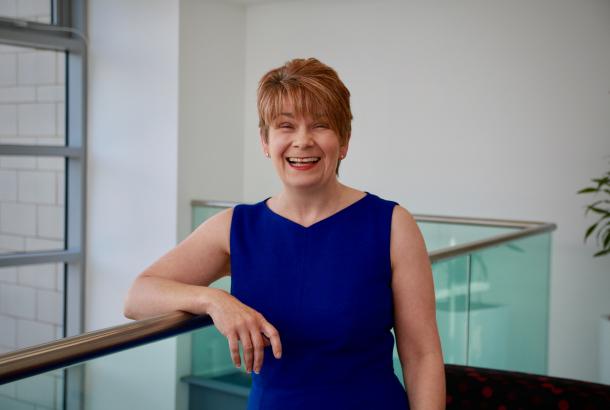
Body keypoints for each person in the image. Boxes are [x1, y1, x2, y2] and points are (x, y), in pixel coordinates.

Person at [124, 57, 445, 409]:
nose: (302, 141)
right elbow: (138, 296)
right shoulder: (236, 227)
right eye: (285, 126)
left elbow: (422, 355)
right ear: (265, 141)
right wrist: (215, 301)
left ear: (344, 141)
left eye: (320, 125)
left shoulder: (393, 225)